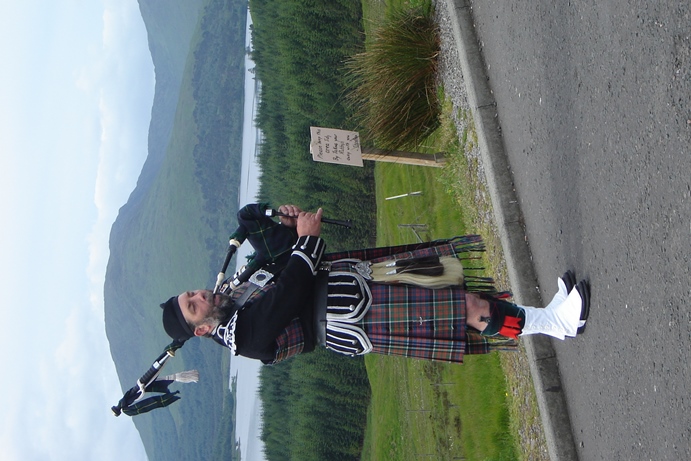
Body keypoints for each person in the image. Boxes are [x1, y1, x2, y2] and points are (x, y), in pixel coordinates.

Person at [161, 204, 590, 365]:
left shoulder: (234, 294)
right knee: (465, 308)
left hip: (358, 280)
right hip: (356, 318)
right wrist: (306, 242)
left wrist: (280, 222)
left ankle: (548, 317)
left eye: (191, 294)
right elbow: (289, 292)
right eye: (193, 306)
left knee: (459, 294)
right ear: (200, 329)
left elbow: (274, 256)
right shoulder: (241, 338)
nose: (199, 295)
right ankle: (556, 323)